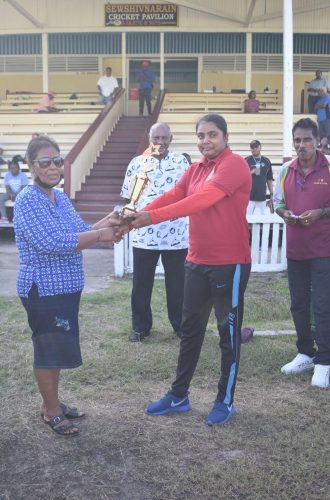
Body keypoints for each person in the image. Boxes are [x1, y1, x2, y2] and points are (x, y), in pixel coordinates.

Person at [126, 114, 252, 425]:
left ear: (224, 137)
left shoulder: (233, 164)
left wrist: (152, 218)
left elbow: (202, 200)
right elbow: (175, 195)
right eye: (200, 136)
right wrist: (140, 211)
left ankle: (225, 400)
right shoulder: (195, 168)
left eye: (212, 135)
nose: (205, 141)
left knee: (228, 335)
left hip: (229, 264)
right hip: (196, 262)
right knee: (190, 331)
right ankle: (179, 395)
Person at [14, 135, 121, 436]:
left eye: (57, 161)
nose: (52, 167)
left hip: (64, 288)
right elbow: (54, 243)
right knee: (48, 349)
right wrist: (102, 236)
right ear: (31, 166)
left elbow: (82, 232)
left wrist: (109, 223)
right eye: (44, 162)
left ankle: (54, 402)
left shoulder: (59, 198)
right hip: (44, 289)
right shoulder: (27, 199)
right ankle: (50, 411)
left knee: (57, 348)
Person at [120, 122, 189, 342]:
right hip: (144, 235)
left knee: (178, 286)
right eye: (156, 138)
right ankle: (140, 327)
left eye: (164, 138)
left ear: (171, 138)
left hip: (176, 235)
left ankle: (180, 326)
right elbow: (128, 198)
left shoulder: (181, 162)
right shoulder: (136, 163)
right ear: (149, 138)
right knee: (141, 284)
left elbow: (189, 194)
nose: (160, 142)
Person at [275, 117, 330, 388]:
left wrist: (322, 212)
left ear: (317, 140)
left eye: (307, 139)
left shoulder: (329, 166)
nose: (302, 145)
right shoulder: (286, 170)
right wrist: (284, 213)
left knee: (322, 305)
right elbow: (277, 203)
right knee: (298, 304)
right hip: (296, 249)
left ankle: (324, 361)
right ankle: (305, 353)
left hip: (324, 249)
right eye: (297, 140)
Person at [245, 140, 274, 214]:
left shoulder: (266, 161)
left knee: (261, 221)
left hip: (262, 197)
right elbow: (240, 177)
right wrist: (251, 172)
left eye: (256, 147)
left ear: (260, 147)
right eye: (252, 147)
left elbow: (269, 179)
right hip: (249, 198)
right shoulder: (246, 160)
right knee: (247, 220)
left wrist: (271, 195)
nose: (254, 149)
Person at [0, 158, 29, 222]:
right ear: (9, 169)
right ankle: (4, 218)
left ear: (18, 168)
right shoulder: (7, 175)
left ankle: (21, 219)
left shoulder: (23, 175)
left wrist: (16, 195)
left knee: (24, 199)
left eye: (15, 168)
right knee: (0, 198)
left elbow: (24, 189)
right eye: (11, 168)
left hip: (21, 193)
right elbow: (7, 188)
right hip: (10, 193)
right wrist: (11, 194)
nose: (13, 169)